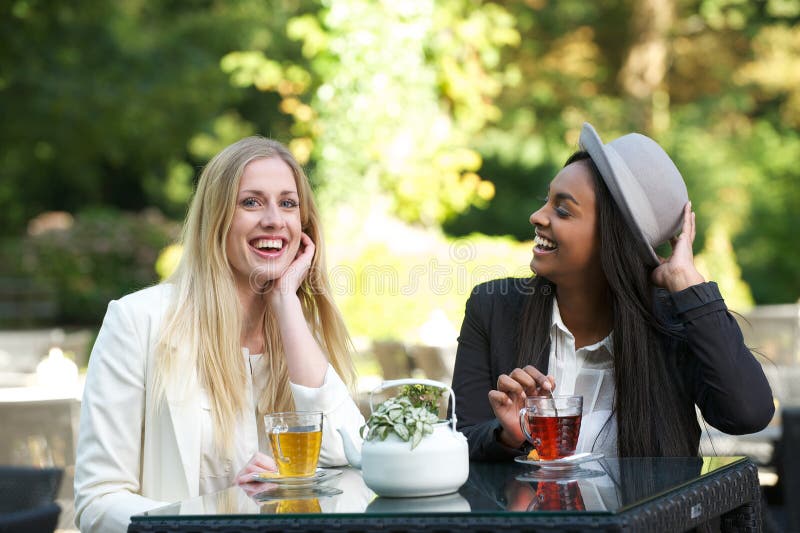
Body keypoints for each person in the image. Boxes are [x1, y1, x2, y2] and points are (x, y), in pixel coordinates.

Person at [74, 137, 365, 532]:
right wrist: (217, 515)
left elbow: (354, 454)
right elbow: (98, 501)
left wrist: (285, 302)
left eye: (288, 203)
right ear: (216, 218)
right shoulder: (138, 321)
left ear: (305, 227)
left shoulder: (301, 333)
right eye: (251, 202)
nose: (274, 220)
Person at [452, 122, 774, 461]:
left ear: (612, 237)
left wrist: (687, 284)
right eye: (545, 201)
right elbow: (458, 442)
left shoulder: (673, 325)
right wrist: (507, 435)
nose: (536, 216)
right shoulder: (492, 308)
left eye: (562, 209)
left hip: (651, 516)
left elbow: (748, 414)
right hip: (532, 515)